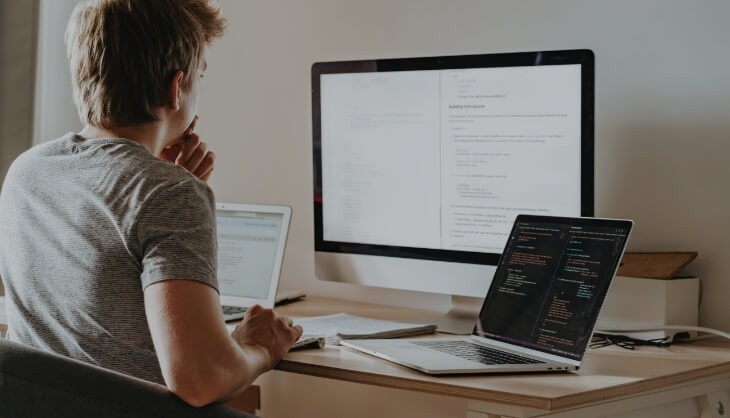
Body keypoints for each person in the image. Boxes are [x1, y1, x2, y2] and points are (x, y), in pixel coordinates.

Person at [0, 0, 302, 407]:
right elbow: (200, 380)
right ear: (176, 88)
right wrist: (259, 348)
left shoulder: (26, 171)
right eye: (200, 76)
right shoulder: (168, 192)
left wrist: (164, 181)